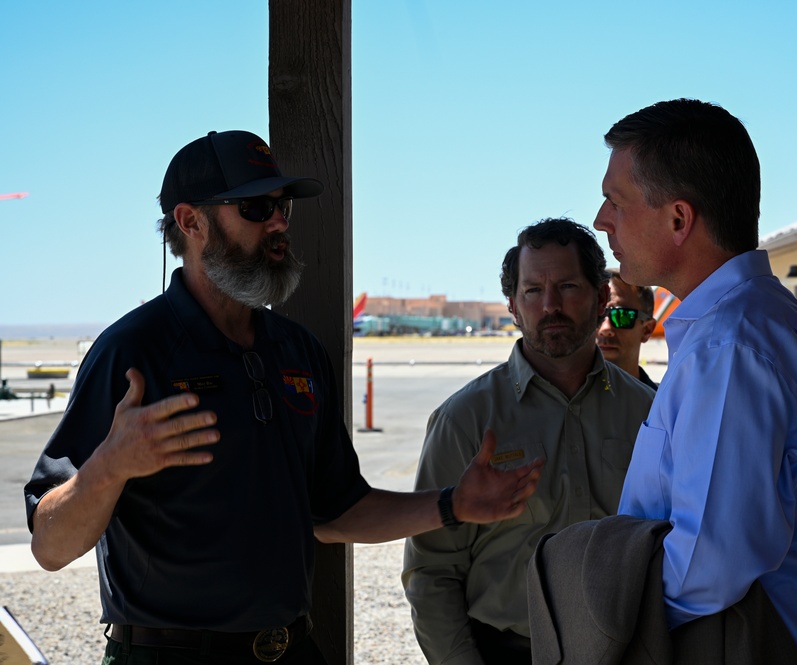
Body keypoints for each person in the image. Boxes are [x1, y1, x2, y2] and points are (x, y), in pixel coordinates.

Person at [24, 130, 542, 665]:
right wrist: (108, 467)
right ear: (191, 222)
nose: (278, 222)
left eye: (282, 206)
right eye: (255, 207)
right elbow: (49, 547)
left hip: (289, 652)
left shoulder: (297, 352)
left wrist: (453, 505)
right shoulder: (131, 352)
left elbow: (337, 512)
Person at [592, 99, 797, 665]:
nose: (601, 220)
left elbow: (709, 564)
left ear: (678, 220)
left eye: (616, 202)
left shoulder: (730, 345)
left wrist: (601, 619)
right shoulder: (747, 322)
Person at [402, 218, 656, 665]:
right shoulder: (465, 421)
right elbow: (431, 572)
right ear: (514, 307)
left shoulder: (649, 413)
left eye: (568, 286)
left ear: (600, 299)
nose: (550, 305)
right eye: (533, 291)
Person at [596, 268, 659, 388]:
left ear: (647, 330)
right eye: (596, 313)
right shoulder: (556, 402)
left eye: (622, 316)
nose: (605, 328)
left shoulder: (664, 405)